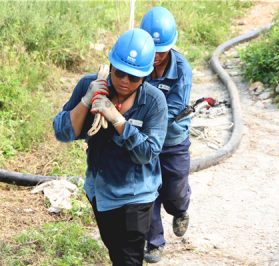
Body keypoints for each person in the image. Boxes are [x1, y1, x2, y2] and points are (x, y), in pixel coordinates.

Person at [53, 28, 168, 266]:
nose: (124, 82)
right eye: (120, 73)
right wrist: (87, 100)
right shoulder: (90, 84)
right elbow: (63, 132)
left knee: (128, 259)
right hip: (101, 191)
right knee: (116, 252)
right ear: (111, 66)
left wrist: (116, 119)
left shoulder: (154, 102)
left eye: (133, 78)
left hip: (136, 196)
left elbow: (147, 153)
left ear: (145, 77)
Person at [140, 7, 193, 263]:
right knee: (148, 191)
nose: (156, 57)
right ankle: (154, 242)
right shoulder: (138, 61)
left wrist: (143, 119)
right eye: (153, 50)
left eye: (161, 51)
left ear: (171, 47)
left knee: (174, 192)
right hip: (145, 141)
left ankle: (181, 210)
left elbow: (173, 108)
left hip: (172, 140)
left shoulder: (181, 68)